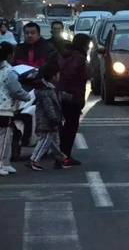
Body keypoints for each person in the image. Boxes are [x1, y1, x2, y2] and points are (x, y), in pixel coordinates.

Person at [29, 63, 71, 171]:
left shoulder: (49, 89)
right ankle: (34, 160)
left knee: (53, 142)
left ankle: (62, 158)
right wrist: (55, 119)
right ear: (53, 76)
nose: (59, 76)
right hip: (47, 121)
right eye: (58, 74)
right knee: (45, 141)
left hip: (49, 121)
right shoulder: (46, 91)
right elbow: (49, 108)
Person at [57, 34, 91, 166]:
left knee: (66, 127)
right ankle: (64, 156)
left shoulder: (65, 55)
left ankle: (63, 155)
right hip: (74, 95)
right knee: (71, 127)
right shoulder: (79, 57)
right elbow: (76, 74)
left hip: (63, 93)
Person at [0, 42, 32, 176]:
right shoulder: (9, 72)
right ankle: (1, 163)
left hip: (4, 108)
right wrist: (27, 96)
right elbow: (16, 90)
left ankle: (5, 163)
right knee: (4, 138)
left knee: (6, 137)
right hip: (4, 109)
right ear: (9, 55)